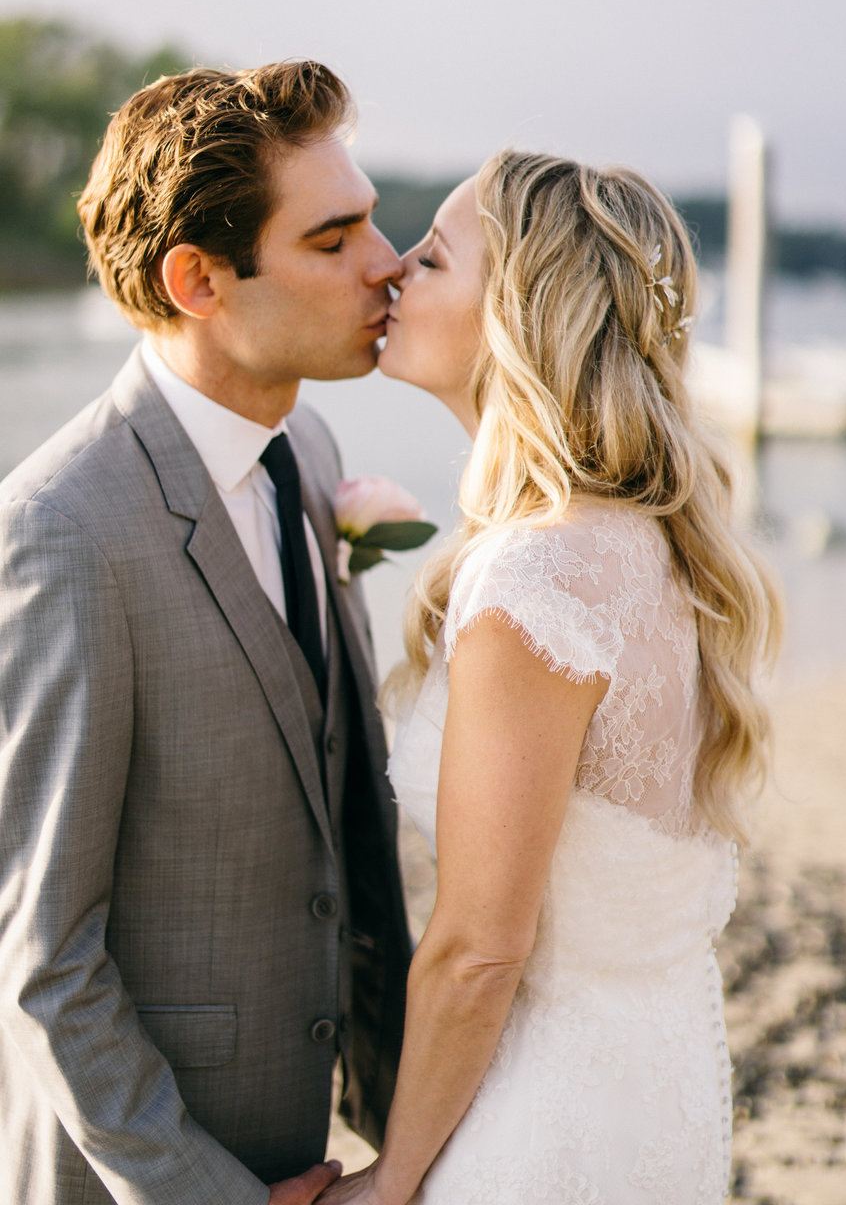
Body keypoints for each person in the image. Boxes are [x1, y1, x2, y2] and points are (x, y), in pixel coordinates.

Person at [319, 150, 782, 1204]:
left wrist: (387, 1183)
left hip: (545, 1129)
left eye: (431, 259)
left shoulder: (532, 583)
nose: (393, 273)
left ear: (515, 313)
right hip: (658, 1087)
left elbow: (479, 951)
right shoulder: (654, 541)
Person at [0, 61, 412, 1205]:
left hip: (316, 1155)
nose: (385, 263)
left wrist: (410, 1143)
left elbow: (349, 850)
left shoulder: (313, 453)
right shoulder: (63, 529)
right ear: (198, 279)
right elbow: (43, 961)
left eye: (371, 222)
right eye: (332, 242)